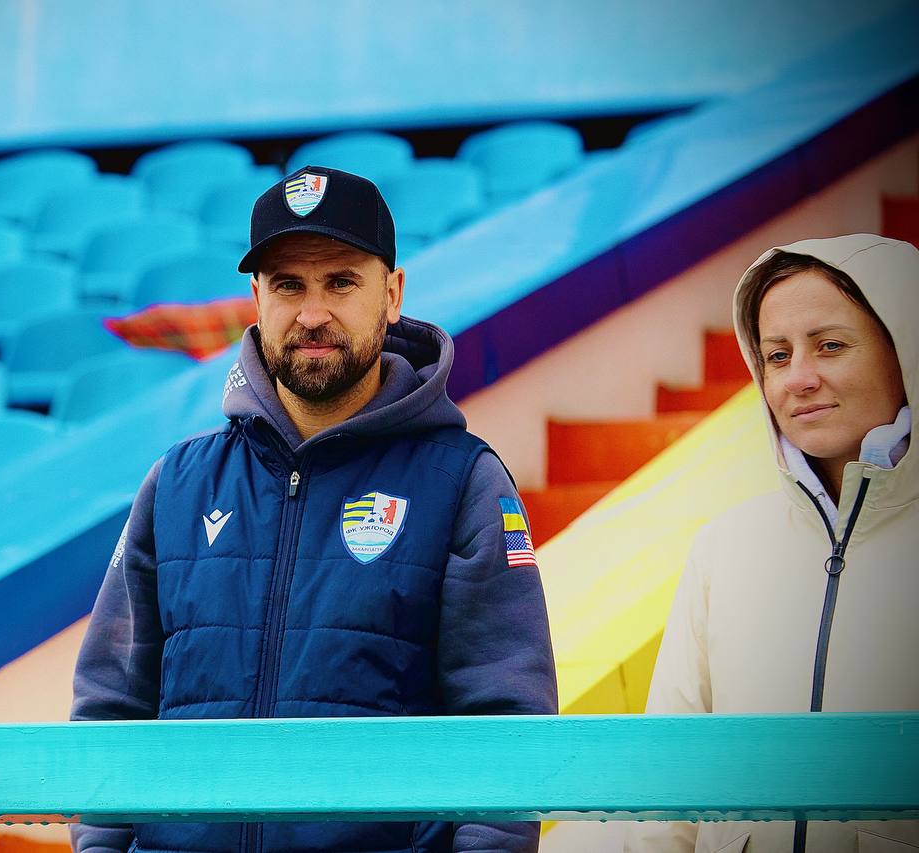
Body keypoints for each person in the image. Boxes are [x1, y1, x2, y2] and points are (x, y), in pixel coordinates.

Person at [71, 165, 558, 853]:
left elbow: (506, 721)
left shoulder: (463, 483)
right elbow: (110, 706)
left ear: (393, 293)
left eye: (341, 282)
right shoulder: (176, 485)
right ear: (256, 298)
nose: (312, 313)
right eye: (288, 284)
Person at [626, 234, 918, 853]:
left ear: (905, 351)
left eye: (830, 345)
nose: (799, 379)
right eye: (777, 356)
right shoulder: (723, 547)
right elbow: (668, 777)